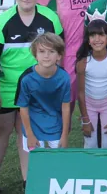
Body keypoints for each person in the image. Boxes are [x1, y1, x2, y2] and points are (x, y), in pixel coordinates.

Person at [0, 0, 63, 194]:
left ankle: (29, 180)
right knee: (1, 131)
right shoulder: (2, 21)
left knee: (28, 134)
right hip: (7, 89)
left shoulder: (50, 18)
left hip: (38, 89)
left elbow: (59, 52)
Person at [16, 33, 71, 175]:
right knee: (35, 166)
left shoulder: (64, 77)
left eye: (51, 51)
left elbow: (66, 108)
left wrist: (64, 135)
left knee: (58, 166)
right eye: (41, 51)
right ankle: (33, 190)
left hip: (55, 127)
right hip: (33, 128)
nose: (46, 56)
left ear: (59, 56)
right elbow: (23, 108)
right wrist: (29, 134)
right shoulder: (26, 78)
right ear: (35, 55)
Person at [76, 20, 107, 149]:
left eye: (101, 35)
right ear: (88, 40)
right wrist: (85, 119)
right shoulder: (83, 62)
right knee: (90, 143)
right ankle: (89, 168)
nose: (97, 39)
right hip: (89, 105)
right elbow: (80, 93)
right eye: (92, 35)